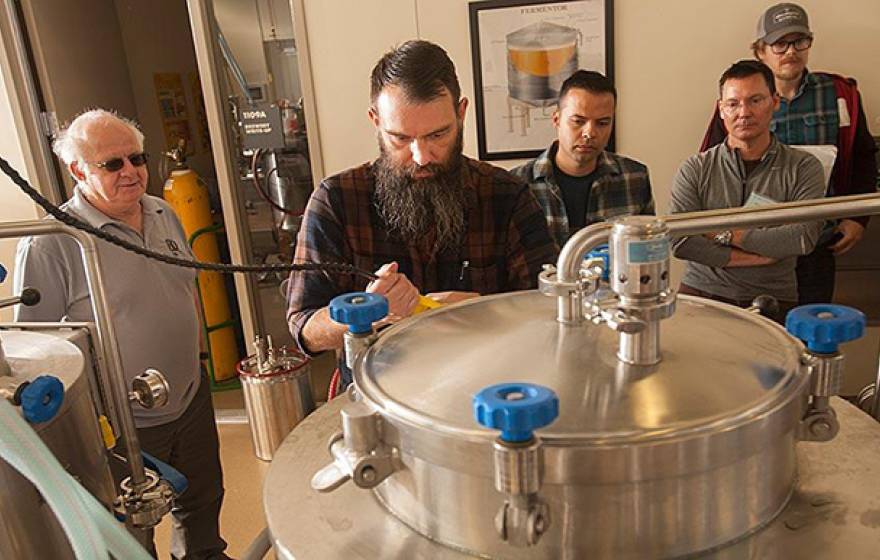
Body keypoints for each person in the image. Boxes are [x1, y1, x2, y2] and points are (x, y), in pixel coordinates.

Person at [13, 109, 229, 560]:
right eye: (112, 164)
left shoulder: (162, 211)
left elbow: (182, 291)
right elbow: (38, 352)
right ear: (77, 170)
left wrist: (199, 363)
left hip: (189, 397)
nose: (130, 172)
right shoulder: (54, 241)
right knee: (130, 529)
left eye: (136, 158)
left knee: (203, 502)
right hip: (119, 423)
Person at [286, 40, 557, 386]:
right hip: (376, 398)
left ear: (461, 113)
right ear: (375, 121)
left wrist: (486, 312)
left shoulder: (507, 196)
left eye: (438, 134)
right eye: (400, 138)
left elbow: (551, 310)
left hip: (485, 392)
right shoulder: (336, 200)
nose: (421, 156)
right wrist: (364, 311)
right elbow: (303, 328)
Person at [700, 3, 877, 304]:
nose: (790, 51)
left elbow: (863, 158)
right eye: (779, 43)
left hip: (818, 239)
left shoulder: (838, 94)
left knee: (807, 332)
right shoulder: (739, 103)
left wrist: (858, 218)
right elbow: (712, 165)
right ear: (760, 50)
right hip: (754, 240)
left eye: (799, 41)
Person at [671, 60, 826, 324]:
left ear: (775, 102)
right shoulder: (695, 168)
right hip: (701, 294)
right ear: (721, 110)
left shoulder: (803, 167)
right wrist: (750, 257)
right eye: (733, 104)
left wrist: (722, 233)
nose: (744, 112)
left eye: (755, 100)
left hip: (774, 299)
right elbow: (680, 241)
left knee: (775, 367)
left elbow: (802, 238)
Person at [510, 70, 654, 247]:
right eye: (578, 121)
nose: (590, 133)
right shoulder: (517, 185)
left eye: (602, 123)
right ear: (556, 120)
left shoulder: (635, 178)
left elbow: (648, 252)